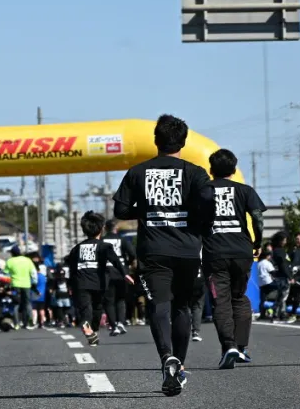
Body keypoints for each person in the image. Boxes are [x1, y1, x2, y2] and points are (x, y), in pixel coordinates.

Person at [111, 114, 216, 396]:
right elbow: (209, 205)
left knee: (159, 304)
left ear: (156, 141)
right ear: (183, 141)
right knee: (181, 307)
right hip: (187, 251)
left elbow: (120, 211)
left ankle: (166, 357)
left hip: (153, 251)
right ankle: (178, 366)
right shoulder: (195, 173)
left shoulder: (138, 172)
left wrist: (144, 210)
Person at [201, 148, 267, 369]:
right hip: (242, 251)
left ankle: (229, 346)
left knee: (221, 301)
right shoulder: (245, 190)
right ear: (234, 169)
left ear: (211, 170)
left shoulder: (203, 191)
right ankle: (241, 348)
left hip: (214, 252)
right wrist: (258, 241)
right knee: (239, 298)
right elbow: (257, 217)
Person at [67, 211, 133, 347]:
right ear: (102, 228)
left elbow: (72, 269)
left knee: (86, 308)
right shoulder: (104, 246)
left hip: (80, 282)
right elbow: (115, 260)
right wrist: (125, 273)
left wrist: (70, 285)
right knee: (97, 308)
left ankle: (88, 327)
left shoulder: (76, 248)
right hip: (98, 282)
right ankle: (93, 330)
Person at [101, 219, 137, 336]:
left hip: (106, 272)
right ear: (116, 228)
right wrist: (126, 263)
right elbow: (132, 254)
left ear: (105, 228)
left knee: (109, 301)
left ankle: (114, 325)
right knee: (121, 299)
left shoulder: (101, 241)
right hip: (122, 273)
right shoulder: (122, 240)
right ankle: (121, 322)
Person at [5, 246, 38, 330]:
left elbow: (5, 274)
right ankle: (29, 323)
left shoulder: (10, 261)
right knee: (27, 303)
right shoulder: (27, 260)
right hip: (26, 284)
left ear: (12, 253)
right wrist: (34, 282)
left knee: (16, 304)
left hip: (15, 284)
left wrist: (7, 284)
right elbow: (33, 272)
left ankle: (16, 324)